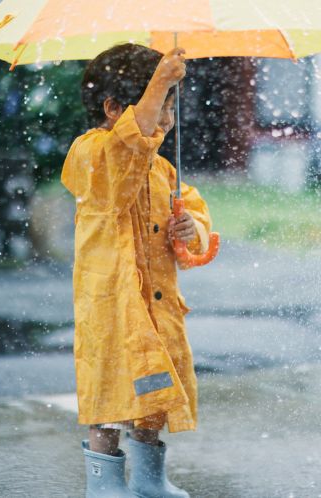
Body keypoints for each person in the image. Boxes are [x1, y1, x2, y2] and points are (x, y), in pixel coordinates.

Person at [60, 43, 212, 498]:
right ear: (111, 108)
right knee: (108, 391)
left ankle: (148, 479)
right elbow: (128, 147)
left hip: (156, 307)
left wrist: (192, 227)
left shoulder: (163, 169)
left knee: (152, 394)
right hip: (111, 304)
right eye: (161, 106)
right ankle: (103, 484)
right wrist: (161, 79)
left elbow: (194, 224)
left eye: (170, 108)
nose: (166, 120)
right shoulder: (91, 154)